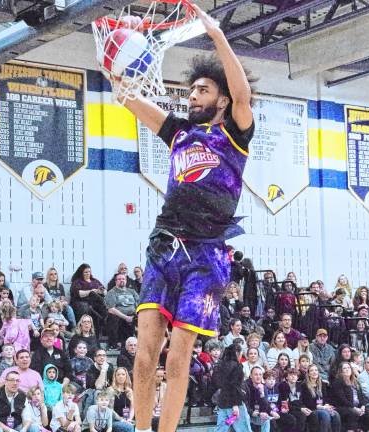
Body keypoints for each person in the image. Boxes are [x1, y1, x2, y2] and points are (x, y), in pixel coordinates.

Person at [110, 5, 255, 432]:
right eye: (190, 90)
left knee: (178, 357)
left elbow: (244, 94)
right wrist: (113, 58)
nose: (192, 96)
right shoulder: (178, 132)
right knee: (143, 355)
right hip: (164, 245)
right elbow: (126, 98)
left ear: (221, 99)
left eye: (202, 90)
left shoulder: (234, 133)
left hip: (207, 255)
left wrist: (217, 37)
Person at [329, 362, 369, 432]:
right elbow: (342, 399)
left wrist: (362, 406)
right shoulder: (338, 382)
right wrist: (354, 408)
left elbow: (362, 397)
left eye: (348, 368)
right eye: (344, 368)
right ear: (341, 371)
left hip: (356, 406)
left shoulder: (356, 381)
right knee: (352, 413)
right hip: (342, 406)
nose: (347, 369)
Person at [301, 364, 340, 432]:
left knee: (335, 414)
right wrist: (321, 407)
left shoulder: (322, 384)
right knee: (325, 414)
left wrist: (326, 405)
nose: (314, 372)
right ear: (308, 374)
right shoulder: (304, 385)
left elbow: (326, 398)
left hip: (323, 407)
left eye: (316, 370)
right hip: (313, 408)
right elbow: (307, 402)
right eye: (312, 371)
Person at [104, 273, 139, 349]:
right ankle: (116, 343)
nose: (121, 280)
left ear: (126, 281)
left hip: (134, 316)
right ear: (116, 281)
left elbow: (139, 304)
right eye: (119, 279)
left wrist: (135, 315)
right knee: (112, 317)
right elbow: (111, 309)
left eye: (123, 279)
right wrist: (126, 317)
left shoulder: (132, 291)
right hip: (119, 317)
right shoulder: (111, 293)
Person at [108, 367, 135, 432]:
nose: (121, 376)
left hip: (127, 419)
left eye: (123, 374)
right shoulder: (110, 390)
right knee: (128, 427)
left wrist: (129, 419)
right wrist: (121, 419)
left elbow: (132, 408)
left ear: (126, 376)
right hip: (114, 420)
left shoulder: (129, 391)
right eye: (118, 374)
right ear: (115, 377)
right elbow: (110, 410)